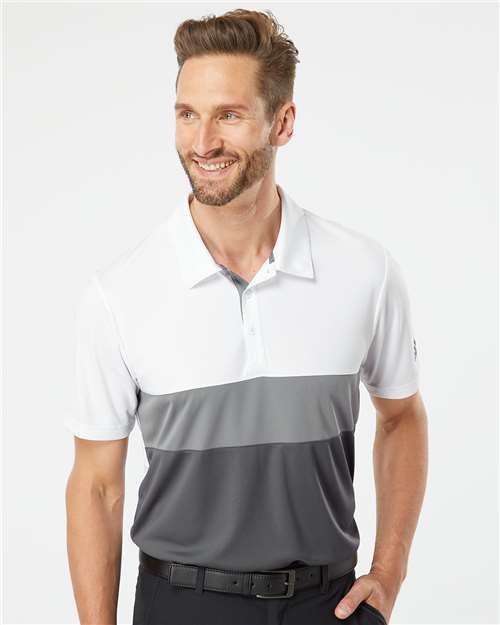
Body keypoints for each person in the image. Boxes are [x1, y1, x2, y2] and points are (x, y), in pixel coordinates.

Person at [65, 8, 428, 625]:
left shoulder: (364, 270)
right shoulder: (118, 293)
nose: (202, 142)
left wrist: (389, 570)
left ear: (282, 122)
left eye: (228, 115)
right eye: (187, 114)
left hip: (329, 605)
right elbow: (98, 485)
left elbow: (402, 418)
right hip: (180, 606)